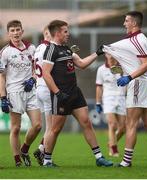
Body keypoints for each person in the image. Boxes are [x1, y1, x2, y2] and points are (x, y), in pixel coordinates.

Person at [103, 11, 147, 167]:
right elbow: (137, 62)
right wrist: (124, 70)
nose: (124, 23)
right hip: (144, 82)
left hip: (138, 83)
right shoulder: (140, 39)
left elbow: (146, 64)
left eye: (126, 21)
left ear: (134, 23)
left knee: (131, 124)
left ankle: (126, 162)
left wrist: (129, 77)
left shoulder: (137, 40)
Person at [42, 19, 113, 167]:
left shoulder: (67, 49)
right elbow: (46, 74)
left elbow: (81, 64)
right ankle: (47, 160)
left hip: (75, 92)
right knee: (55, 129)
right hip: (61, 95)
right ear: (56, 33)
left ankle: (99, 157)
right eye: (65, 31)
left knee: (86, 122)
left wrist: (97, 53)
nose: (68, 34)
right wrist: (57, 93)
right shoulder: (51, 50)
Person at [0, 20, 42, 167]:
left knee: (37, 125)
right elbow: (2, 76)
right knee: (16, 128)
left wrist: (33, 79)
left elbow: (37, 69)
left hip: (31, 91)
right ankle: (17, 159)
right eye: (12, 30)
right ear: (8, 33)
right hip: (14, 92)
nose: (16, 33)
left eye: (18, 30)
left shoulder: (32, 48)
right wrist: (3, 97)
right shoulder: (5, 52)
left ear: (22, 31)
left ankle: (24, 149)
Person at [95, 53, 126, 157]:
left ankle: (111, 143)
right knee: (112, 124)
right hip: (108, 98)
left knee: (123, 128)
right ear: (106, 55)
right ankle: (114, 149)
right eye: (109, 54)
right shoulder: (101, 69)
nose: (112, 56)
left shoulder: (122, 68)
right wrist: (98, 102)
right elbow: (99, 87)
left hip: (121, 98)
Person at [33, 26, 52, 166]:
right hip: (47, 88)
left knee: (50, 127)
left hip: (38, 88)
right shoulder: (49, 49)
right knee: (51, 127)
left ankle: (41, 149)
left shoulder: (38, 48)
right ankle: (44, 156)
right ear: (48, 34)